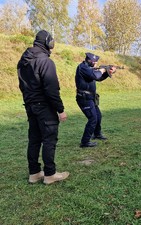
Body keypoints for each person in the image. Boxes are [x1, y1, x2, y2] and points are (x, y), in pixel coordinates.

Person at [17, 30, 69, 184]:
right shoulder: (45, 61)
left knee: (34, 140)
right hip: (45, 107)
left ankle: (34, 173)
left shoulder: (23, 61)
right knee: (49, 140)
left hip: (30, 105)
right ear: (47, 42)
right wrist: (60, 109)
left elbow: (22, 86)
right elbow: (51, 89)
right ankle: (50, 174)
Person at [75, 52, 116, 148]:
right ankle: (85, 142)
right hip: (84, 98)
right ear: (89, 60)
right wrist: (102, 70)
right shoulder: (83, 68)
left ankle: (97, 134)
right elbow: (95, 75)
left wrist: (108, 72)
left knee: (98, 116)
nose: (96, 64)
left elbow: (99, 78)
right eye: (95, 62)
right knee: (93, 118)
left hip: (91, 98)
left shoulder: (89, 69)